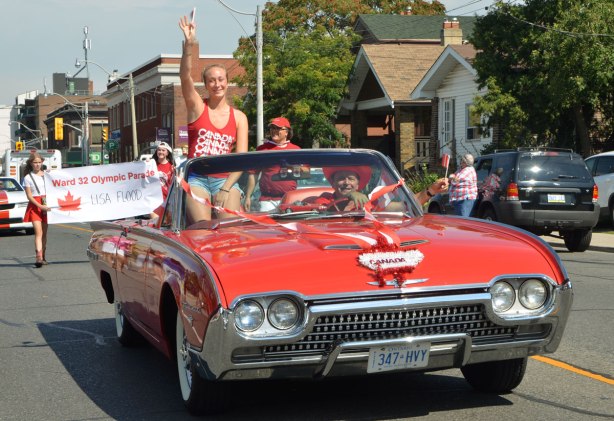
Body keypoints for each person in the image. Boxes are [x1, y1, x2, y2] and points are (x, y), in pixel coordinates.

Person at [179, 14, 249, 222]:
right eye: (211, 81)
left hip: (225, 179)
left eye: (221, 79)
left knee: (230, 231)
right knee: (203, 229)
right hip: (197, 178)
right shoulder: (197, 108)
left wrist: (226, 189)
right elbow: (184, 77)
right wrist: (188, 45)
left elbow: (241, 160)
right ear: (206, 85)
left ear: (227, 82)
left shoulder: (239, 117)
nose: (217, 84)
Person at [244, 117, 300, 212]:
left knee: (289, 226)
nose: (274, 131)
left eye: (278, 128)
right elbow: (253, 174)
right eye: (272, 128)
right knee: (268, 227)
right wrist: (248, 196)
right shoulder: (262, 149)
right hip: (267, 201)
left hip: (289, 200)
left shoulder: (296, 150)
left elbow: (303, 173)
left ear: (287, 132)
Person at [22, 152, 51, 267]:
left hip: (46, 203)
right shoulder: (28, 177)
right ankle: (38, 257)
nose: (37, 165)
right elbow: (29, 196)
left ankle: (43, 255)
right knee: (38, 233)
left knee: (44, 233)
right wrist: (40, 206)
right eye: (35, 162)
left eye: (39, 162)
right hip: (35, 205)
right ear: (31, 163)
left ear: (42, 162)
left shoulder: (47, 175)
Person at [150, 142, 175, 220]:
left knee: (166, 224)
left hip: (166, 200)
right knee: (156, 223)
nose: (160, 152)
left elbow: (173, 184)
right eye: (159, 150)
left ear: (167, 153)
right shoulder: (151, 165)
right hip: (154, 199)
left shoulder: (172, 167)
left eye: (163, 150)